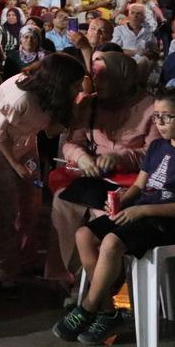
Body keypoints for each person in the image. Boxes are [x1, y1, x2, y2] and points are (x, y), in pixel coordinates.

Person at [51, 87, 175, 344]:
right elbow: (139, 186)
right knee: (84, 234)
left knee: (112, 241)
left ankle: (88, 307)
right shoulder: (158, 147)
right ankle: (108, 312)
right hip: (140, 213)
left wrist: (142, 209)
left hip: (170, 221)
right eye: (156, 117)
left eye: (167, 117)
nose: (160, 123)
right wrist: (121, 201)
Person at [48, 52, 159, 286]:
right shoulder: (89, 103)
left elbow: (154, 152)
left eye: (104, 77)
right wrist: (82, 157)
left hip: (131, 182)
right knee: (62, 203)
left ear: (123, 77)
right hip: (95, 175)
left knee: (105, 216)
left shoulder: (150, 107)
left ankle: (103, 284)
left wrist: (119, 157)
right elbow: (72, 143)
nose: (97, 83)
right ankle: (67, 275)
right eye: (95, 76)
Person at [0, 52, 87, 294]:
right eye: (76, 83)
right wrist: (15, 165)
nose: (80, 87)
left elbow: (49, 131)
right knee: (6, 205)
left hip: (26, 143)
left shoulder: (53, 96)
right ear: (61, 81)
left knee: (31, 198)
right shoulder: (21, 97)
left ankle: (26, 258)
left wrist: (76, 111)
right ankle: (5, 269)